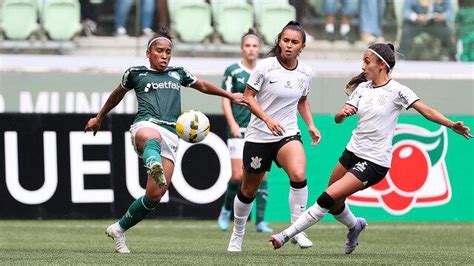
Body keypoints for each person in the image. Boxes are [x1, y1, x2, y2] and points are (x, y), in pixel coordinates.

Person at [269, 43, 472, 254]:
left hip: (374, 161)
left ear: (382, 65)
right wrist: (342, 113)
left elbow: (425, 110)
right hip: (352, 152)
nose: (363, 66)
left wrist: (451, 124)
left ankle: (285, 235)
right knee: (335, 203)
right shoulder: (362, 88)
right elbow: (338, 119)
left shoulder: (398, 90)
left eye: (367, 61)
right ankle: (355, 225)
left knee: (326, 198)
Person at [84, 26, 245, 254]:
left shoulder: (178, 73)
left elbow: (202, 85)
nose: (164, 56)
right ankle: (153, 162)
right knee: (152, 137)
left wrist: (229, 95)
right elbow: (116, 95)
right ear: (149, 52)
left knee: (155, 195)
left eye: (168, 52)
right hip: (145, 126)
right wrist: (99, 117)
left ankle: (119, 229)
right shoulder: (135, 73)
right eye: (159, 51)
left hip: (172, 134)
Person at [227, 21, 322, 252]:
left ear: (302, 46)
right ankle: (237, 234)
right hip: (259, 135)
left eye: (294, 42)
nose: (289, 46)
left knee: (299, 174)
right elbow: (248, 97)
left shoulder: (306, 72)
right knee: (248, 190)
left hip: (287, 133)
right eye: (285, 40)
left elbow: (302, 100)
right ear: (279, 41)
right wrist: (267, 120)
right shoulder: (265, 67)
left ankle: (297, 229)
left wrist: (310, 124)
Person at [217, 29, 273, 234]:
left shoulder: (266, 70)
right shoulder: (233, 70)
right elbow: (225, 99)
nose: (251, 49)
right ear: (242, 48)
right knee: (238, 176)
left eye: (255, 46)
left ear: (259, 49)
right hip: (238, 129)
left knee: (262, 176)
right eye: (247, 45)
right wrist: (231, 122)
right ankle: (225, 211)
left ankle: (259, 222)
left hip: (259, 130)